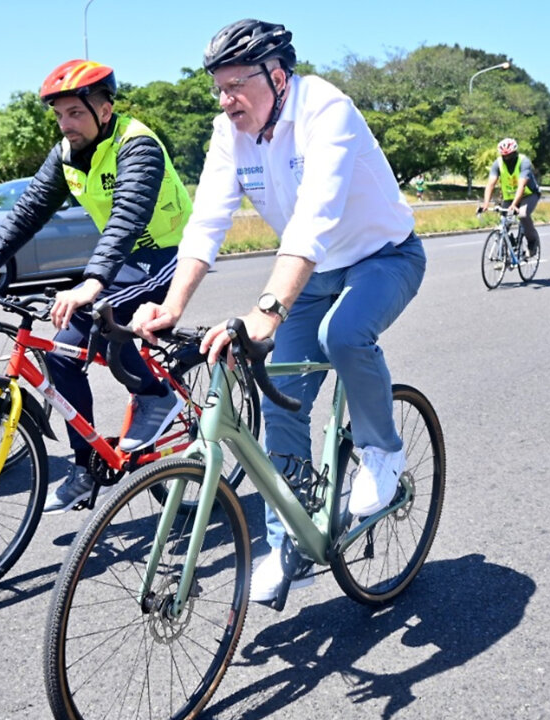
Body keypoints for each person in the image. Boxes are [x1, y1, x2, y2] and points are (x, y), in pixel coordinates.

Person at [131, 19, 426, 604]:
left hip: (382, 256)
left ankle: (381, 452)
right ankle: (282, 544)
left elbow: (315, 217)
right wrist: (171, 305)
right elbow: (208, 221)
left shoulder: (326, 109)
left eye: (237, 83)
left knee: (343, 335)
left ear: (278, 75)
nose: (226, 98)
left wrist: (267, 310)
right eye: (218, 86)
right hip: (315, 273)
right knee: (279, 400)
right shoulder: (229, 131)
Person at [0, 59, 192, 513]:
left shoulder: (136, 145)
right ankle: (86, 466)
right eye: (59, 115)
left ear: (104, 109)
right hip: (123, 261)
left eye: (74, 113)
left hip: (168, 253)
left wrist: (90, 282)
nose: (65, 124)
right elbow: (26, 212)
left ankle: (157, 398)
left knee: (96, 317)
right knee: (61, 349)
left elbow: (126, 219)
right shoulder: (65, 153)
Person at [478, 137, 541, 256]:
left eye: (509, 156)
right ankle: (503, 253)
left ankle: (532, 242)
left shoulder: (524, 162)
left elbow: (521, 186)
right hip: (509, 197)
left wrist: (514, 205)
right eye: (504, 156)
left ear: (515, 153)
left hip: (529, 194)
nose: (507, 158)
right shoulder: (498, 164)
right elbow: (491, 184)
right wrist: (486, 203)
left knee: (523, 214)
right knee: (504, 222)